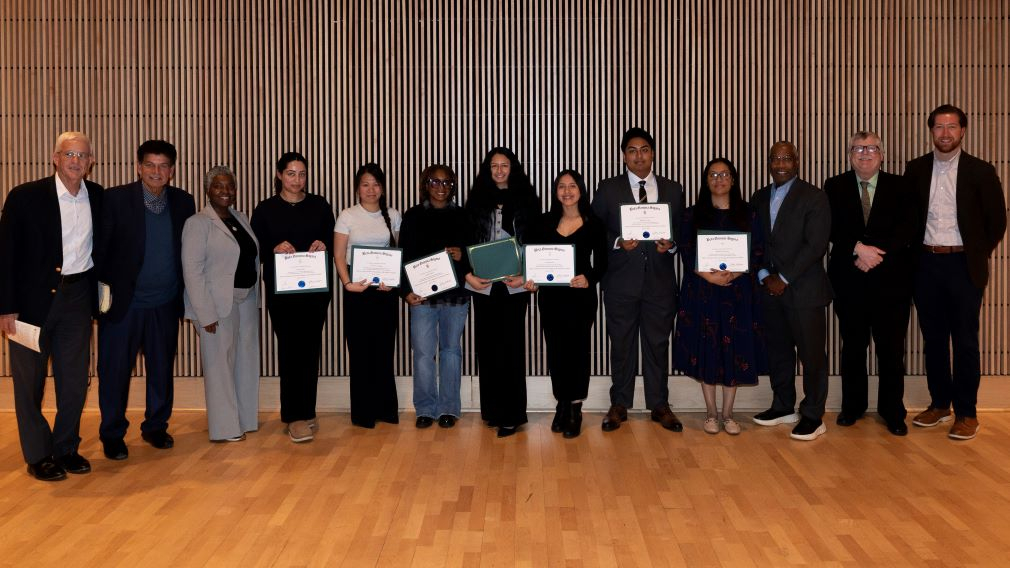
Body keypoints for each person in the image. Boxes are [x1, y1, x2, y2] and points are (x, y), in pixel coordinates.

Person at [0, 131, 103, 481]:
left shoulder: (98, 197)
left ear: (91, 162)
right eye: (69, 154)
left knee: (74, 381)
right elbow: (6, 254)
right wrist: (6, 306)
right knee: (29, 383)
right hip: (30, 304)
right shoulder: (24, 197)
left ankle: (66, 447)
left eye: (82, 155)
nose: (76, 161)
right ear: (55, 159)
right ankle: (38, 454)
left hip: (78, 298)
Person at [904, 104, 1007, 440]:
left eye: (951, 127)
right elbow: (908, 218)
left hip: (964, 265)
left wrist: (975, 252)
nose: (945, 133)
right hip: (926, 264)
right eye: (939, 127)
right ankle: (939, 404)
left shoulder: (981, 170)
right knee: (933, 340)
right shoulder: (916, 169)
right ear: (931, 131)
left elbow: (996, 221)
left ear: (962, 131)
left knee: (965, 341)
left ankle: (966, 412)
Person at [96, 139, 195, 460]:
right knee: (114, 372)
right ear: (139, 167)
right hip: (123, 305)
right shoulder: (115, 199)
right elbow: (99, 251)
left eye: (163, 165)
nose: (156, 171)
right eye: (150, 165)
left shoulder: (184, 202)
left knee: (161, 369)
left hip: (165, 303)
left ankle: (155, 426)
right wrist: (99, 299)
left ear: (172, 170)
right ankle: (112, 433)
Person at [590, 127, 684, 433]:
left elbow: (681, 231)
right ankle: (619, 404)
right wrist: (617, 241)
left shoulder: (673, 190)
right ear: (624, 156)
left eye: (644, 149)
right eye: (632, 150)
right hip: (621, 283)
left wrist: (671, 244)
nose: (639, 156)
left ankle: (659, 404)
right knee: (621, 345)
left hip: (660, 282)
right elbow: (594, 230)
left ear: (653, 153)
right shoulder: (608, 189)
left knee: (658, 345)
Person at [825, 131, 917, 436]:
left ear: (882, 154)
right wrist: (857, 248)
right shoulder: (834, 186)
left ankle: (893, 411)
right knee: (853, 347)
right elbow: (830, 227)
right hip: (849, 280)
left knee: (891, 350)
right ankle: (853, 406)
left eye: (872, 148)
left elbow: (908, 228)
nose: (865, 153)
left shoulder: (901, 186)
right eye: (858, 148)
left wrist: (875, 254)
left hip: (891, 282)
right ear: (849, 154)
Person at [673, 158, 766, 435]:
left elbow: (757, 250)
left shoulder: (748, 214)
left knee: (734, 348)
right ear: (706, 181)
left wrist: (734, 273)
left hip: (738, 292)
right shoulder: (692, 215)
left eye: (724, 174)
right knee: (707, 347)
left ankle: (728, 413)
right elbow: (686, 251)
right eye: (713, 175)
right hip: (702, 291)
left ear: (733, 180)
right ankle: (711, 412)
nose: (719, 179)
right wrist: (708, 276)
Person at [750, 141, 832, 441]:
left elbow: (816, 245)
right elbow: (755, 242)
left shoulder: (814, 197)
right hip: (770, 290)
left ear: (797, 162)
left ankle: (813, 415)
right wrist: (764, 275)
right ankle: (783, 406)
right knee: (779, 352)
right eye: (775, 158)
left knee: (812, 356)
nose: (780, 164)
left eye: (787, 158)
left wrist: (783, 277)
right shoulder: (759, 197)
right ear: (769, 163)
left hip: (804, 290)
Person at [250, 152, 334, 443]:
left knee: (310, 349)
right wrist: (272, 248)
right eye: (290, 173)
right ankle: (293, 416)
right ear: (279, 175)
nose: (297, 180)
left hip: (315, 292)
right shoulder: (265, 209)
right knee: (289, 350)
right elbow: (254, 249)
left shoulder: (320, 205)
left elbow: (333, 240)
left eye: (302, 174)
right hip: (282, 294)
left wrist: (323, 243)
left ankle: (307, 410)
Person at [524, 170, 607, 438]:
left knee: (578, 352)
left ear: (581, 190)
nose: (567, 191)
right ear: (555, 191)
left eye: (572, 186)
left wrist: (589, 277)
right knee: (556, 352)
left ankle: (575, 409)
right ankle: (561, 404)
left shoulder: (594, 223)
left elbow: (603, 263)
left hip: (580, 297)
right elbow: (531, 258)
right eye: (562, 186)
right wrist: (531, 280)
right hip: (551, 299)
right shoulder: (543, 222)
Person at [464, 147, 540, 438]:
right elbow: (465, 241)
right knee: (487, 347)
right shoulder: (476, 200)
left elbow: (534, 242)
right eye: (494, 165)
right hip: (482, 285)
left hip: (513, 285)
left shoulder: (527, 200)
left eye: (504, 165)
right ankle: (493, 411)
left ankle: (512, 414)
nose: (499, 170)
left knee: (511, 347)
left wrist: (526, 275)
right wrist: (469, 276)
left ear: (513, 168)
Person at [181, 166, 261, 442]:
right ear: (208, 190)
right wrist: (205, 314)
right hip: (215, 305)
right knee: (219, 367)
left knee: (245, 362)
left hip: (246, 299)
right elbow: (192, 271)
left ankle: (245, 419)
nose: (225, 191)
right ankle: (225, 428)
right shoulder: (197, 223)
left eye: (230, 186)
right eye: (218, 186)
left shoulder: (241, 218)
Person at [399, 164, 472, 429]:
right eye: (435, 182)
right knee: (422, 354)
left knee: (451, 352)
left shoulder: (463, 216)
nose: (441, 187)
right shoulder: (413, 216)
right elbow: (403, 256)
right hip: (422, 298)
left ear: (453, 186)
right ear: (425, 184)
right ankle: (425, 409)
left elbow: (474, 256)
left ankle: (449, 408)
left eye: (446, 183)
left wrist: (462, 255)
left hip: (456, 297)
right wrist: (404, 291)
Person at [334, 163, 402, 429]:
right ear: (357, 188)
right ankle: (363, 413)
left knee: (384, 351)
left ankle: (385, 409)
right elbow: (339, 255)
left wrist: (393, 282)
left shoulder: (393, 215)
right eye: (365, 184)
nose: (371, 189)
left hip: (384, 293)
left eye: (376, 184)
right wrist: (347, 283)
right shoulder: (347, 215)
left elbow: (398, 252)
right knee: (361, 352)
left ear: (382, 188)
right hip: (357, 292)